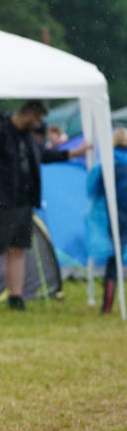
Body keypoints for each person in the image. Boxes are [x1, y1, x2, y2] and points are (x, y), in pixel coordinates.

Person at [0, 100, 90, 310]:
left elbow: (43, 156)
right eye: (37, 119)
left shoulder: (27, 137)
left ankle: (16, 297)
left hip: (23, 202)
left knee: (17, 250)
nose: (38, 124)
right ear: (27, 114)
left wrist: (74, 153)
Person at [86, 127, 127, 313]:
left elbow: (92, 190)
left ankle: (107, 305)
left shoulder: (105, 163)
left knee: (114, 258)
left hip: (113, 213)